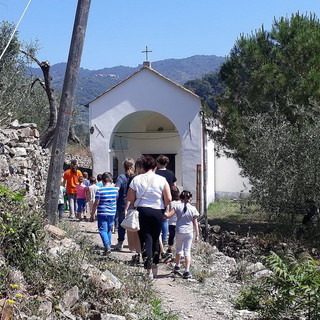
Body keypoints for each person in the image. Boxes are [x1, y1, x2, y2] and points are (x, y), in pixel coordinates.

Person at [126, 155, 171, 279]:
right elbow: (169, 198)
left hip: (142, 211)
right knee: (156, 238)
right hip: (157, 211)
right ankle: (155, 265)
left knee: (145, 239)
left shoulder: (136, 179)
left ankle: (148, 270)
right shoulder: (162, 180)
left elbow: (130, 198)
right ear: (155, 166)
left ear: (142, 167)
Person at [165, 190, 199, 279]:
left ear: (180, 198)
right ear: (190, 199)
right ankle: (187, 271)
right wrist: (197, 235)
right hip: (189, 232)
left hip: (179, 230)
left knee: (178, 249)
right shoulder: (193, 209)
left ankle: (177, 265)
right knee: (187, 251)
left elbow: (168, 215)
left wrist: (167, 206)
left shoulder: (177, 206)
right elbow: (195, 223)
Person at [90, 172, 119, 255]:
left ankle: (107, 246)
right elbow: (115, 200)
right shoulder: (115, 190)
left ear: (102, 181)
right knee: (109, 229)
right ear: (111, 180)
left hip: (102, 212)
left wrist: (92, 214)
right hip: (112, 213)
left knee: (102, 230)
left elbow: (96, 203)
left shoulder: (100, 190)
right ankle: (108, 246)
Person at [114, 158, 135, 251]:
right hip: (134, 204)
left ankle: (120, 243)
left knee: (122, 225)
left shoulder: (121, 177)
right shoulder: (135, 177)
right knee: (133, 225)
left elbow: (116, 189)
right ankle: (133, 246)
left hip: (122, 204)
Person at [155, 155, 177, 246]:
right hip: (167, 197)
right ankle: (164, 239)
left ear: (158, 163)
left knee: (157, 219)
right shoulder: (171, 173)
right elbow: (174, 186)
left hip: (157, 197)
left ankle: (157, 238)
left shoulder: (155, 173)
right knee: (165, 220)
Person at [164, 186, 180, 257]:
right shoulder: (181, 203)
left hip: (172, 223)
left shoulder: (170, 203)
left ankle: (170, 249)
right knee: (179, 237)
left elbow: (167, 212)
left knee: (171, 236)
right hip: (179, 223)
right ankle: (180, 251)